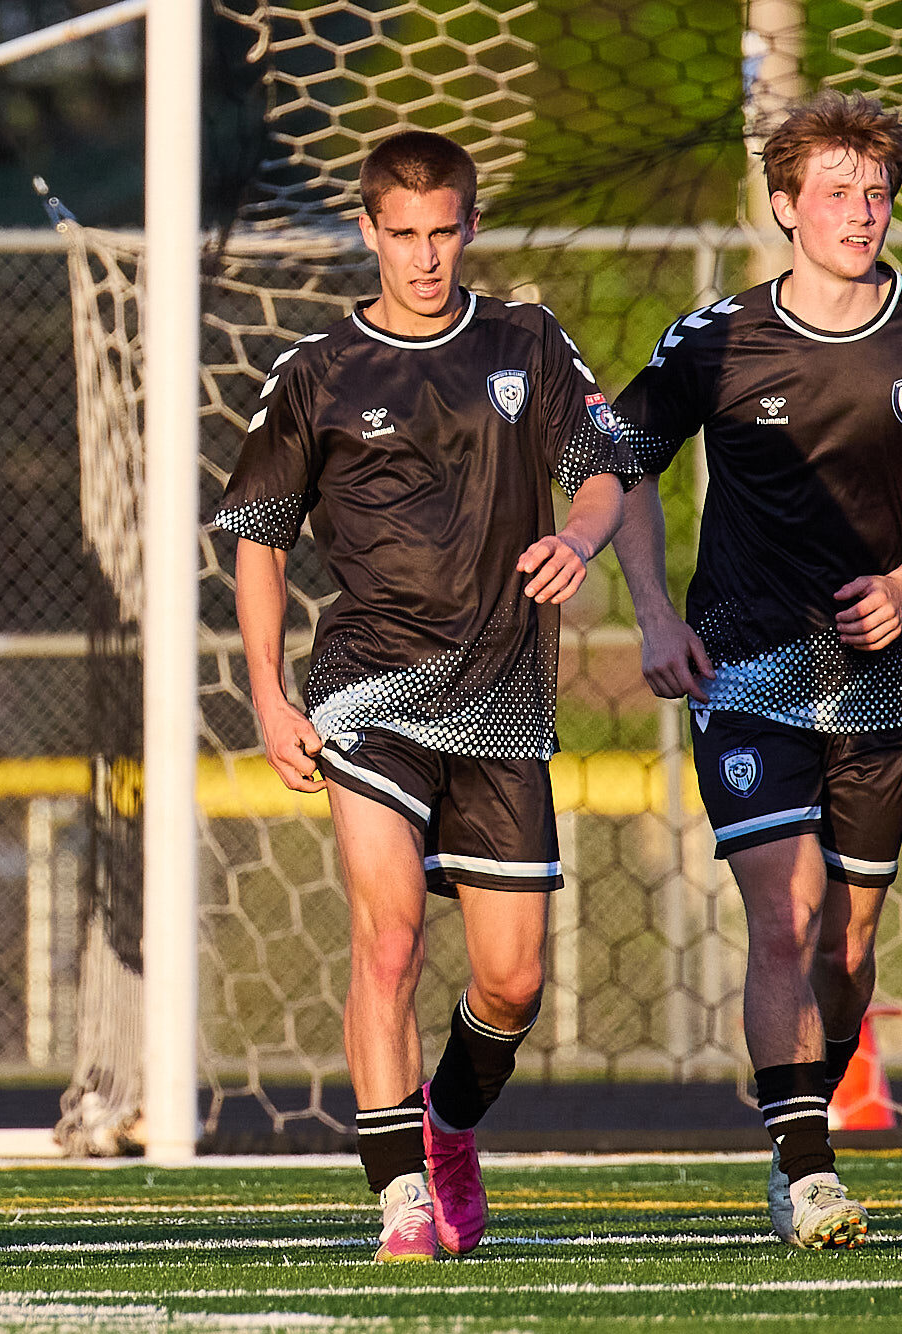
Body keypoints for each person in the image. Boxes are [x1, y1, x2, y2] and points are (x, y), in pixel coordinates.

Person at [213, 130, 633, 1262]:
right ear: (366, 233)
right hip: (364, 693)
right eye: (400, 235)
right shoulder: (314, 372)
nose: (423, 256)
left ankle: (445, 1125)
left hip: (499, 697)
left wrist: (580, 538)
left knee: (510, 979)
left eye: (442, 231)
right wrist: (264, 693)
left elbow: (602, 464)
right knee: (387, 937)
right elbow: (255, 536)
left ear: (469, 225)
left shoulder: (523, 342)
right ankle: (399, 1199)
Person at [611, 91, 902, 1251]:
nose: (861, 212)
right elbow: (617, 462)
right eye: (834, 192)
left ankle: (804, 1120)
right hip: (745, 667)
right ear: (782, 206)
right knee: (780, 916)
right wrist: (646, 614)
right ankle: (804, 1166)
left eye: (875, 191)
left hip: (881, 687)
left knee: (844, 945)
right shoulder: (714, 339)